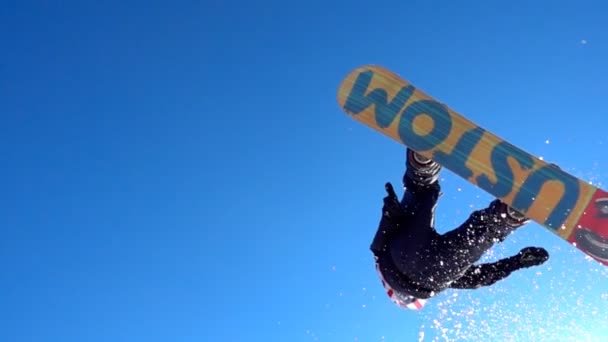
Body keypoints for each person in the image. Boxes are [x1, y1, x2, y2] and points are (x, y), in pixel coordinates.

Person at [370, 148, 550, 310]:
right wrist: (391, 210)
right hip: (403, 251)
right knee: (421, 191)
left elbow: (480, 278)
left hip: (434, 276)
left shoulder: (429, 283)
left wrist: (517, 261)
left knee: (483, 232)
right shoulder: (381, 258)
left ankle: (510, 215)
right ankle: (421, 165)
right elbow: (382, 236)